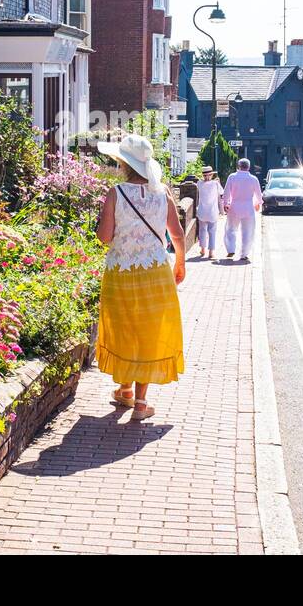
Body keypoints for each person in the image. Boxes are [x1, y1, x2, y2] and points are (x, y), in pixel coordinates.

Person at [95, 133, 186, 421]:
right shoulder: (164, 193)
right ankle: (141, 401)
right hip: (156, 271)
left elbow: (105, 237)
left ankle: (125, 389)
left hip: (121, 271)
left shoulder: (116, 193)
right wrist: (180, 263)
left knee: (124, 329)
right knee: (149, 332)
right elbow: (178, 234)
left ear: (123, 164)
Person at [221, 158, 263, 262]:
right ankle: (244, 254)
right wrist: (258, 203)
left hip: (234, 206)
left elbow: (226, 192)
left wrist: (226, 204)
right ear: (248, 167)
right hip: (248, 207)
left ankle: (231, 249)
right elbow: (258, 194)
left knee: (230, 229)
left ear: (238, 166)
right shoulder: (253, 179)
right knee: (248, 231)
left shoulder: (232, 177)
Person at [195, 165, 223, 259]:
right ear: (211, 175)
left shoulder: (199, 183)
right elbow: (221, 192)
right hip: (212, 212)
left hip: (202, 212)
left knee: (202, 231)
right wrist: (217, 181)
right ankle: (211, 252)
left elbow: (199, 182)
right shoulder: (215, 184)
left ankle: (203, 249)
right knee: (212, 232)